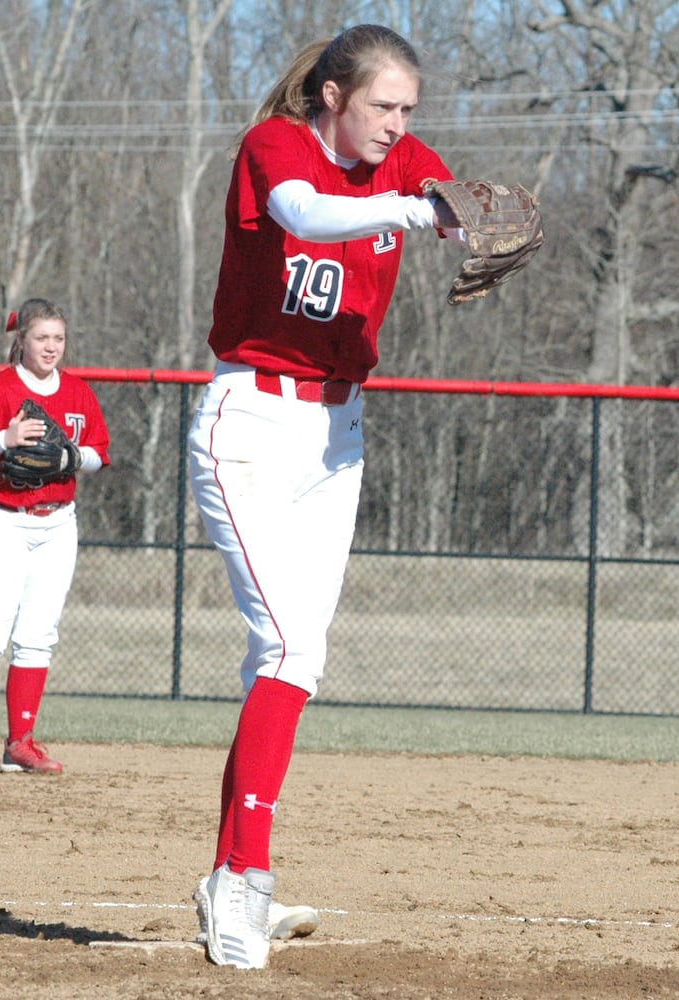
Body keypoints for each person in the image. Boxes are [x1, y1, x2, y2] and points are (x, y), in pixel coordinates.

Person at [187, 23, 476, 969]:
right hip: (253, 422)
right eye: (383, 106)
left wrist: (476, 215)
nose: (399, 125)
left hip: (336, 434)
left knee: (286, 666)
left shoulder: (404, 159)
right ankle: (244, 886)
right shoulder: (278, 144)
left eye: (408, 110)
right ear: (334, 99)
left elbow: (453, 202)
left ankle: (233, 875)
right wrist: (415, 213)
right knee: (288, 646)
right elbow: (306, 215)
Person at [0, 299, 110, 775]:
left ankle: (20, 744)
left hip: (58, 523)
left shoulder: (77, 393)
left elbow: (97, 452)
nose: (51, 347)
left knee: (37, 636)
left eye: (58, 338)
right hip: (2, 519)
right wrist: (4, 441)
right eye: (41, 338)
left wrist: (71, 458)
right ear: (21, 340)